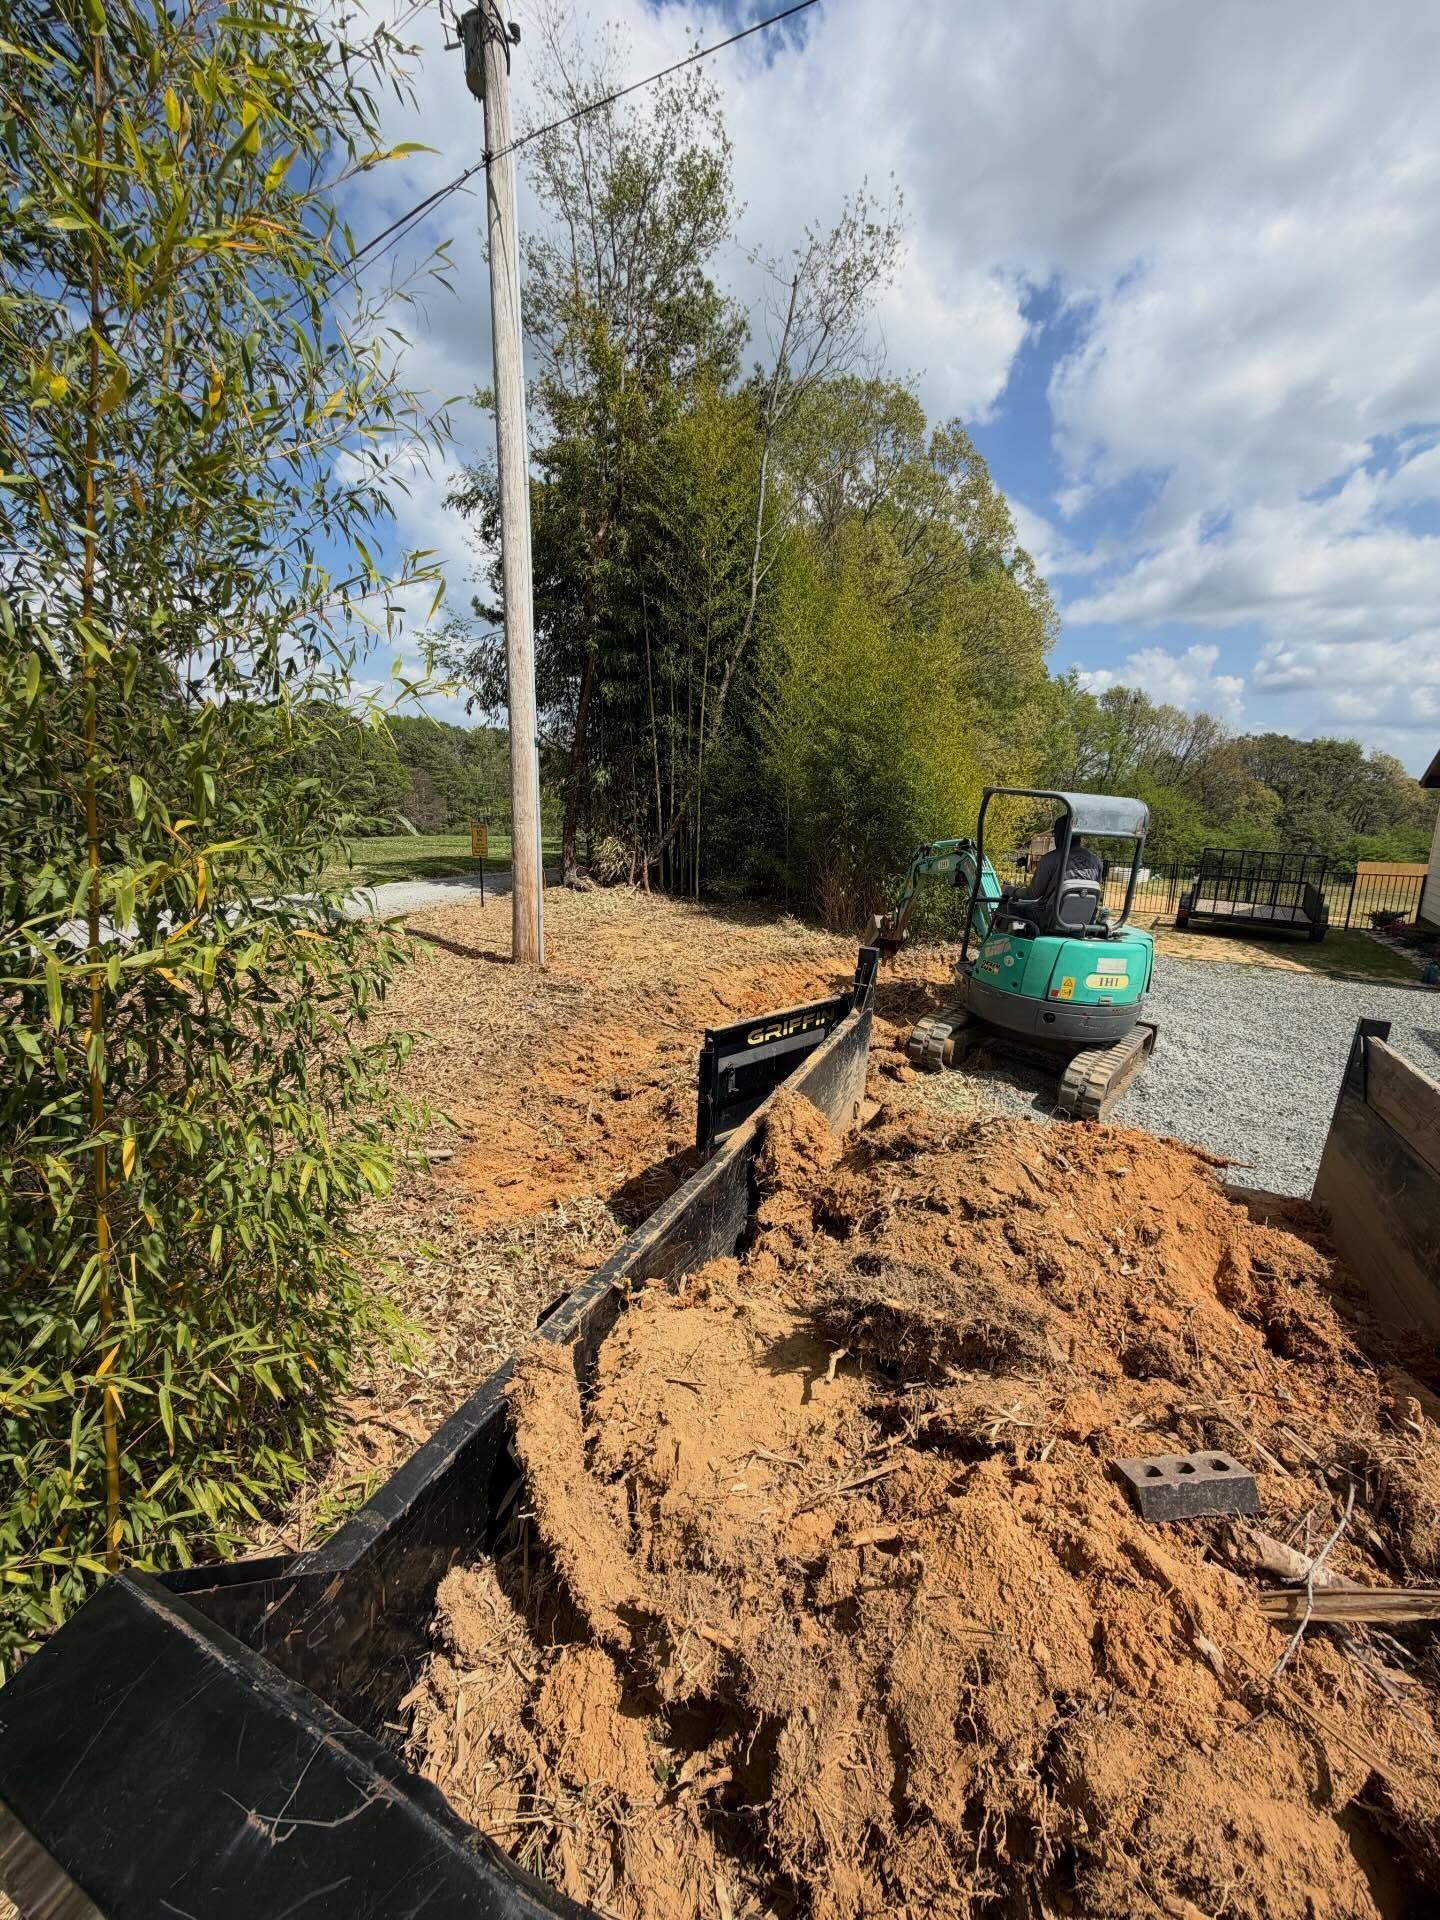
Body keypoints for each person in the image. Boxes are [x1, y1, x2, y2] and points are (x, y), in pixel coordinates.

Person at [1030, 815, 1104, 903]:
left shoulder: (1050, 859)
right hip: (1085, 915)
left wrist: (1010, 890)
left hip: (1049, 914)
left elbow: (1033, 894)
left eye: (1055, 834)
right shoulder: (1096, 861)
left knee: (1014, 906)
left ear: (1060, 834)